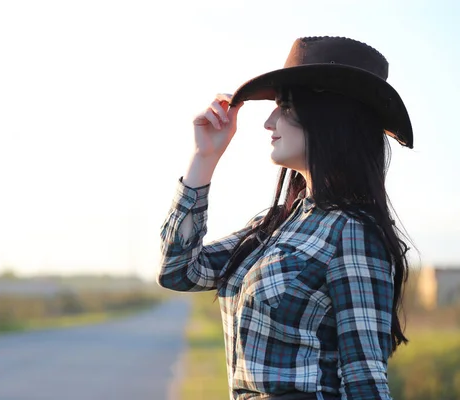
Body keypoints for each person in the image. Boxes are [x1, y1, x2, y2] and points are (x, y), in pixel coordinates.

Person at [156, 36, 414, 400]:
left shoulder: (352, 232)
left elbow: (364, 379)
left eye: (285, 107)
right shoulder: (275, 225)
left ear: (329, 118)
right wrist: (204, 158)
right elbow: (178, 270)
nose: (269, 121)